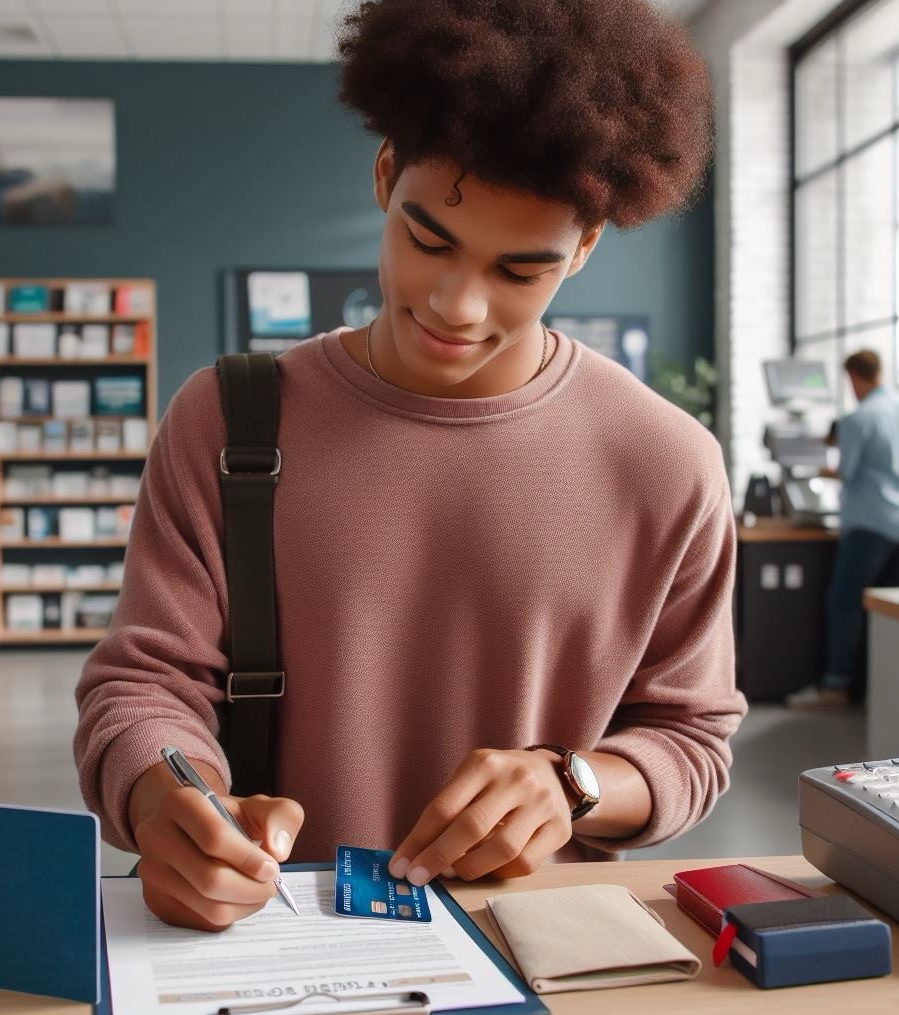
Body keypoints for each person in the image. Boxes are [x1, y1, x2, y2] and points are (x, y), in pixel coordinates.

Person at [75, 0, 747, 933]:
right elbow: (144, 686)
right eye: (430, 239)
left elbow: (692, 737)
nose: (459, 306)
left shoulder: (667, 463)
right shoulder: (225, 421)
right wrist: (167, 801)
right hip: (278, 941)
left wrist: (574, 784)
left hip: (544, 950)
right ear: (387, 174)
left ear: (585, 246)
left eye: (521, 270)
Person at [787, 349, 899, 710]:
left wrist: (809, 466)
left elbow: (846, 471)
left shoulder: (858, 419)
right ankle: (884, 690)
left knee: (844, 603)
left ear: (853, 376)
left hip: (869, 526)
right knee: (889, 614)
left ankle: (835, 687)